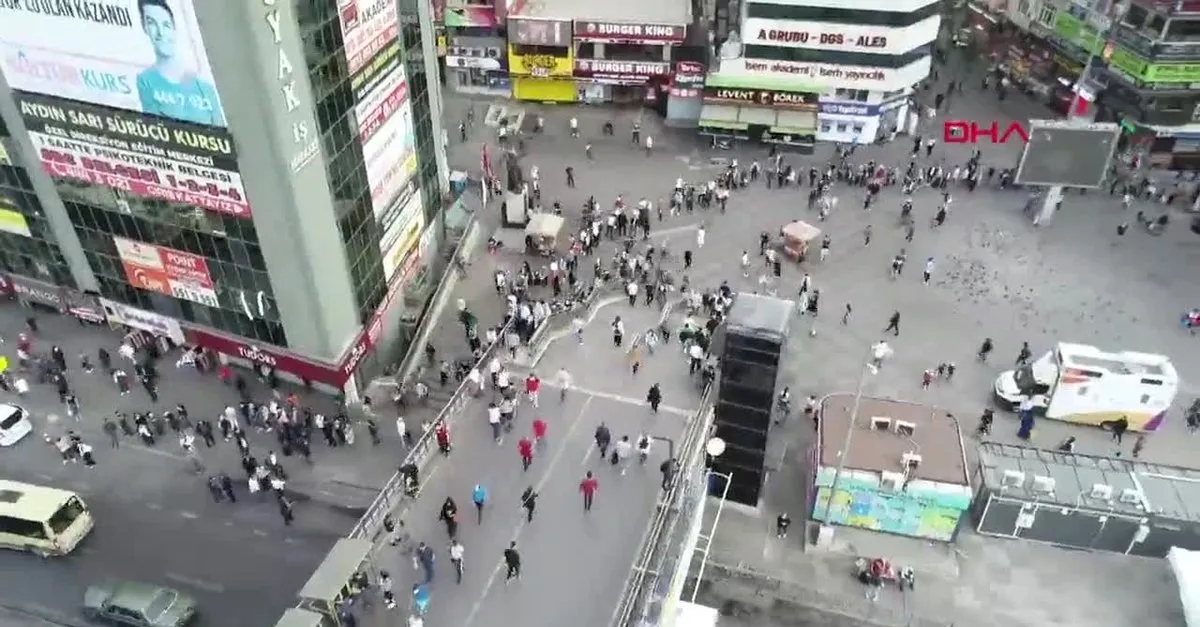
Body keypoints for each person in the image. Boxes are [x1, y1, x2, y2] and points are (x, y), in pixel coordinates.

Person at [135, 0, 225, 126]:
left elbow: (222, 132)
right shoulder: (145, 81)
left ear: (174, 27)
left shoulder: (205, 87)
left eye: (166, 25)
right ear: (144, 27)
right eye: (152, 24)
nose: (160, 33)